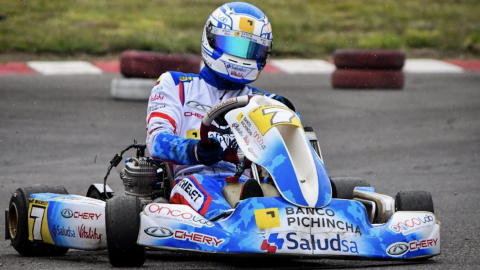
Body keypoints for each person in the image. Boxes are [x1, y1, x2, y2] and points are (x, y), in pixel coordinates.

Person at [146, 2, 295, 219]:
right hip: (193, 177)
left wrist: (288, 115)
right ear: (212, 40)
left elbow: (292, 146)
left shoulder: (263, 101)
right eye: (234, 46)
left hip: (246, 181)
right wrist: (194, 150)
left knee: (267, 192)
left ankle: (276, 213)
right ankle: (230, 220)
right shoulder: (176, 85)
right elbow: (156, 140)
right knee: (202, 191)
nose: (241, 57)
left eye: (251, 50)